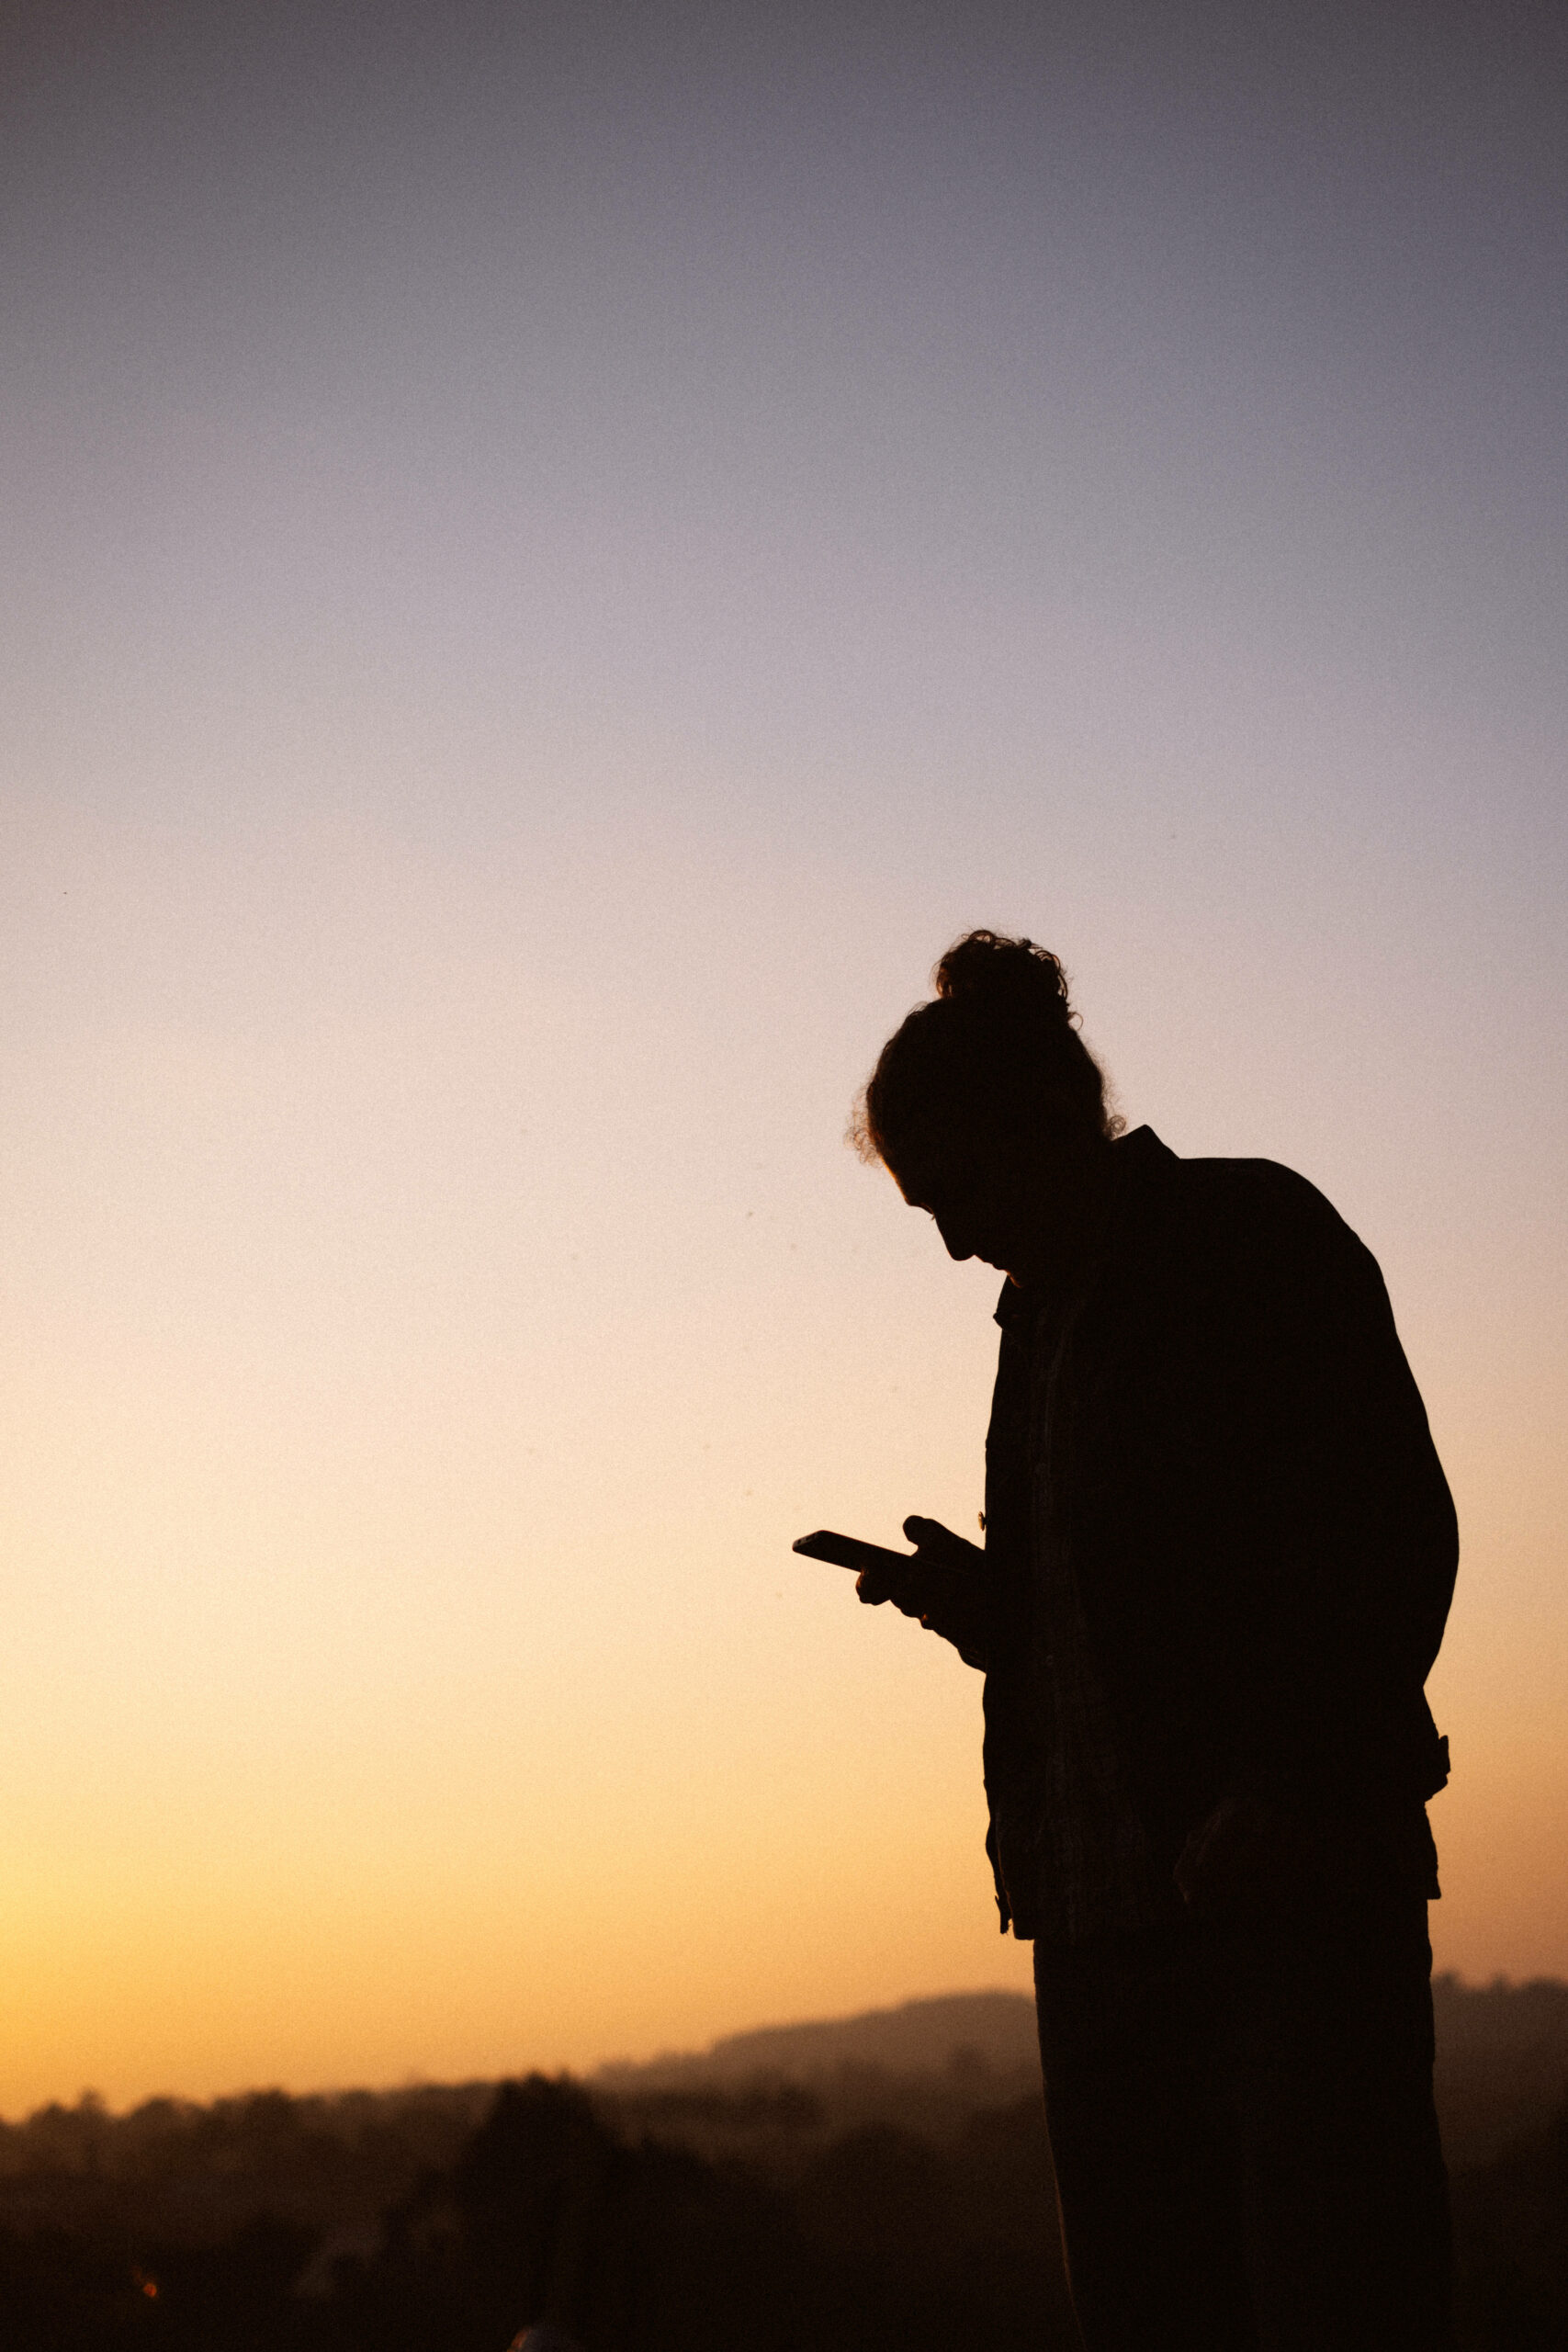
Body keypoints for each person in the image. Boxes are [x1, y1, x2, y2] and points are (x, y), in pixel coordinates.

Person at [848, 931, 1458, 2352]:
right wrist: (997, 1610)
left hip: (1285, 1906)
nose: (949, 1242)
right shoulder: (1037, 1316)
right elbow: (1149, 1604)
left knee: (1337, 2301)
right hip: (1098, 1921)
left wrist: (1293, 1787)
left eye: (959, 1193)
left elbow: (1386, 1537)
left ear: (1046, 1124)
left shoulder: (1250, 1239)